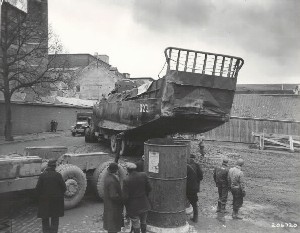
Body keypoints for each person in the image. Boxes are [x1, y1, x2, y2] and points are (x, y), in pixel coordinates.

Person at [36, 159, 66, 233]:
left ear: (48, 166)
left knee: (45, 218)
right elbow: (64, 188)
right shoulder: (58, 175)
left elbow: (37, 188)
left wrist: (40, 197)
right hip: (56, 201)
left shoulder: (42, 176)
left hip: (44, 200)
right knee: (55, 218)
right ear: (54, 167)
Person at [122, 162, 152, 233]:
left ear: (127, 170)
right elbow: (149, 189)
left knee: (135, 223)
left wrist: (124, 204)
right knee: (143, 221)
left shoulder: (126, 180)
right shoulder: (143, 175)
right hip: (144, 203)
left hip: (133, 207)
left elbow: (125, 196)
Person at [103, 162, 124, 233]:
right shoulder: (112, 180)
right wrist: (121, 200)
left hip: (109, 205)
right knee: (113, 226)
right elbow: (113, 195)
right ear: (116, 170)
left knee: (111, 225)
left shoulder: (107, 177)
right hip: (113, 207)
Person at [186, 154, 203, 223]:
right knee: (194, 203)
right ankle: (195, 218)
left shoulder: (185, 165)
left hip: (184, 187)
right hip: (193, 188)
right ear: (194, 159)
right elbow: (201, 177)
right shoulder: (196, 165)